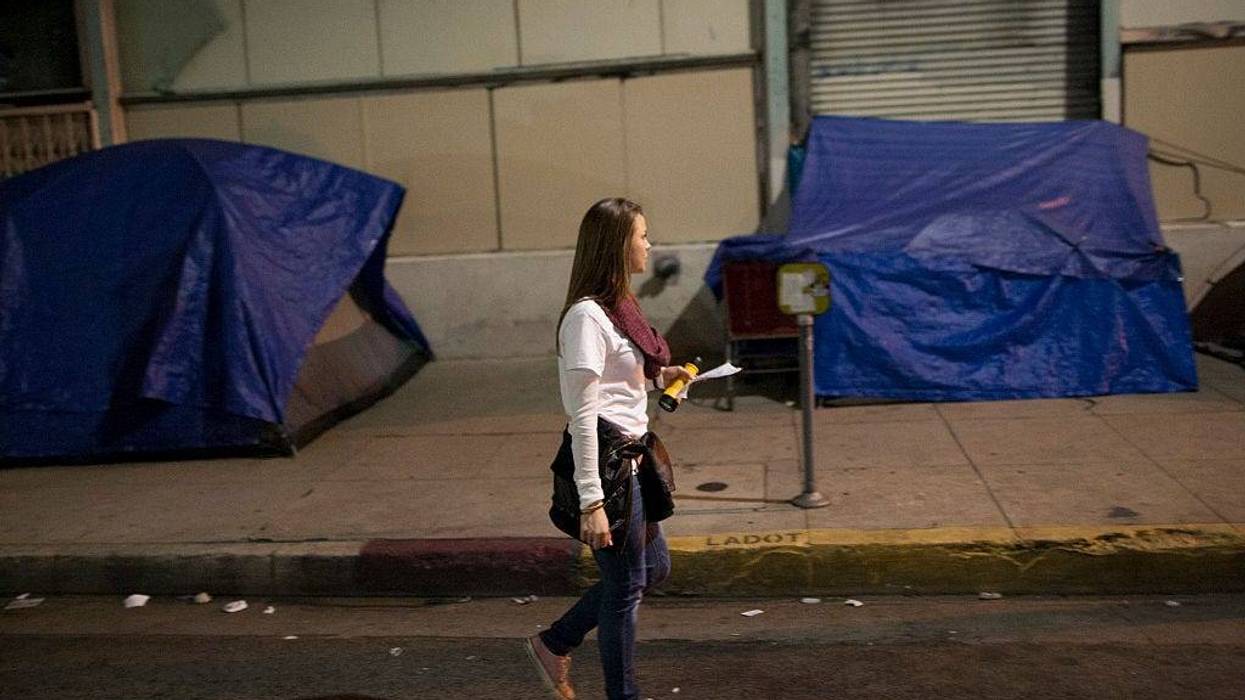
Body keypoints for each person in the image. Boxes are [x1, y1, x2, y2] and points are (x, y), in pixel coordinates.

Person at [525, 198, 693, 700]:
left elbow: (620, 382)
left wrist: (662, 377)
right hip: (609, 470)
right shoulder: (586, 319)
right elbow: (583, 416)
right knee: (624, 591)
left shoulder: (618, 309)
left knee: (653, 567)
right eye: (642, 235)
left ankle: (554, 642)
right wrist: (591, 502)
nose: (649, 244)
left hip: (635, 462)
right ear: (619, 245)